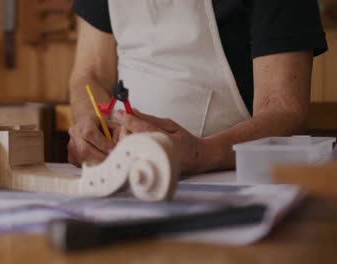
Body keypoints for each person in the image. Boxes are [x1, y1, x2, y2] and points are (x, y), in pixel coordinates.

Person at [67, 0, 328, 175]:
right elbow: (90, 75)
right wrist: (92, 131)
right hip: (124, 173)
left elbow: (285, 110)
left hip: (233, 179)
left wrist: (200, 153)